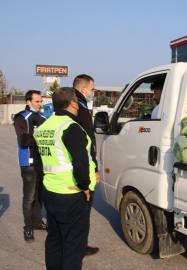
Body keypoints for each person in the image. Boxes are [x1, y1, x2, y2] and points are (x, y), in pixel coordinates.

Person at [34, 87, 96, 269]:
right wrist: (84, 186)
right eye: (76, 102)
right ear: (72, 103)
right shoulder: (71, 127)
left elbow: (39, 162)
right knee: (73, 246)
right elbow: (80, 161)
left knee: (54, 240)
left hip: (51, 192)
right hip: (71, 194)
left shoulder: (44, 127)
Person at [13, 90, 47, 243]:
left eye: (41, 101)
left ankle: (37, 222)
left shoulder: (43, 118)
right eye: (37, 101)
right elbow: (23, 140)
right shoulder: (21, 117)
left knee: (39, 195)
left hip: (42, 163)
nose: (40, 104)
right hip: (28, 163)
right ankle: (28, 227)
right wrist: (40, 138)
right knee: (29, 197)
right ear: (29, 102)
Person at [72, 74, 100, 256]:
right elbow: (88, 142)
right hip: (84, 167)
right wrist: (95, 168)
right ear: (83, 89)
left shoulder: (67, 107)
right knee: (83, 210)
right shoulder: (80, 109)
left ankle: (74, 244)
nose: (93, 93)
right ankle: (80, 247)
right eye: (92, 89)